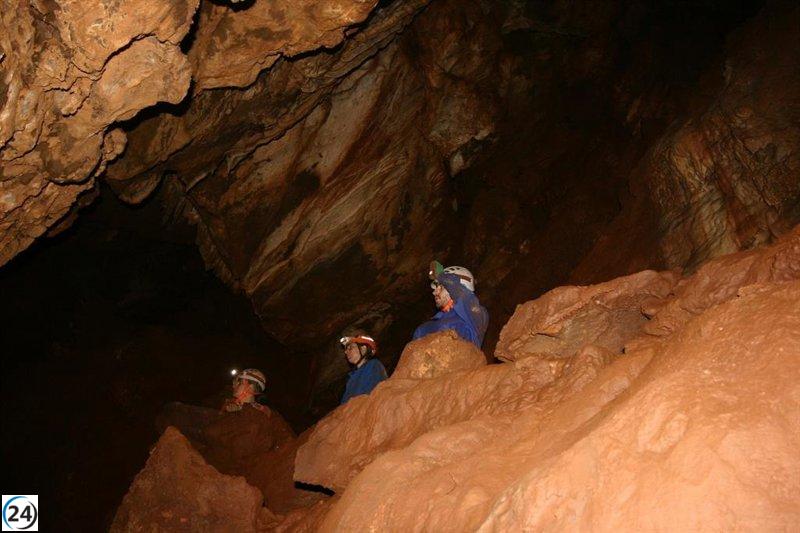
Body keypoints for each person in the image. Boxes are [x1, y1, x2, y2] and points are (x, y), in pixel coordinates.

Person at [412, 261, 488, 348]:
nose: (434, 292)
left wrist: (441, 276)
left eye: (440, 287)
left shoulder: (475, 316)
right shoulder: (424, 329)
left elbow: (461, 292)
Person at [340, 332, 387, 404]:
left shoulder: (374, 365)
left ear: (363, 349)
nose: (346, 352)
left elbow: (372, 395)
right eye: (346, 350)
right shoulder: (351, 379)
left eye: (350, 347)